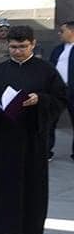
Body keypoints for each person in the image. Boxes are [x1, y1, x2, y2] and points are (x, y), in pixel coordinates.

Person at [0, 25, 67, 234]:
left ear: (33, 44)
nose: (17, 51)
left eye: (23, 47)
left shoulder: (46, 70)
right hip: (1, 138)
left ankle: (28, 233)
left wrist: (40, 100)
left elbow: (60, 99)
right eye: (13, 47)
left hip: (30, 139)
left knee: (30, 185)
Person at [47, 20, 74, 161]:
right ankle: (46, 152)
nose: (59, 34)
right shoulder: (57, 49)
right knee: (50, 121)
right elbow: (50, 68)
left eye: (62, 31)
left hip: (73, 90)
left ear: (71, 31)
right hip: (57, 91)